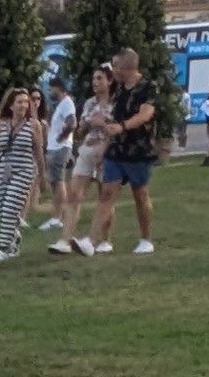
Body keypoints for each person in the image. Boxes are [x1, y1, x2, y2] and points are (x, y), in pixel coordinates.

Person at [86, 47, 158, 256]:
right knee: (107, 193)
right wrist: (105, 129)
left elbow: (145, 114)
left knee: (140, 194)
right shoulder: (119, 90)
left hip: (139, 151)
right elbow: (114, 120)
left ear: (126, 67)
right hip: (116, 149)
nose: (113, 70)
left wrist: (123, 126)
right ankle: (91, 240)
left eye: (115, 66)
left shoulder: (148, 87)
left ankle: (146, 239)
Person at [52, 64, 113, 256]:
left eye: (100, 78)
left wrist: (103, 124)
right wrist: (86, 125)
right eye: (94, 78)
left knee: (105, 196)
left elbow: (119, 129)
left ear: (110, 81)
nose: (95, 82)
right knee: (74, 194)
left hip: (107, 152)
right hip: (87, 149)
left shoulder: (117, 102)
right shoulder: (89, 103)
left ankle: (105, 240)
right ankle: (65, 240)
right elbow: (79, 132)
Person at [0, 86, 44, 260]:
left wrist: (42, 175)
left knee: (9, 208)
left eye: (26, 102)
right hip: (3, 171)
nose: (23, 105)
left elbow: (39, 152)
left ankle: (4, 248)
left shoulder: (34, 125)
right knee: (3, 212)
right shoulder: (1, 124)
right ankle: (14, 239)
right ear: (10, 105)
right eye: (19, 102)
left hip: (24, 171)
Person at [39, 76, 75, 232]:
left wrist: (62, 136)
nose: (49, 92)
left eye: (51, 89)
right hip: (55, 148)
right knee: (55, 182)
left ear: (58, 88)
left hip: (60, 148)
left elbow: (72, 122)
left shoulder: (66, 103)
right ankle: (59, 215)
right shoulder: (61, 105)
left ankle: (57, 217)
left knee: (58, 181)